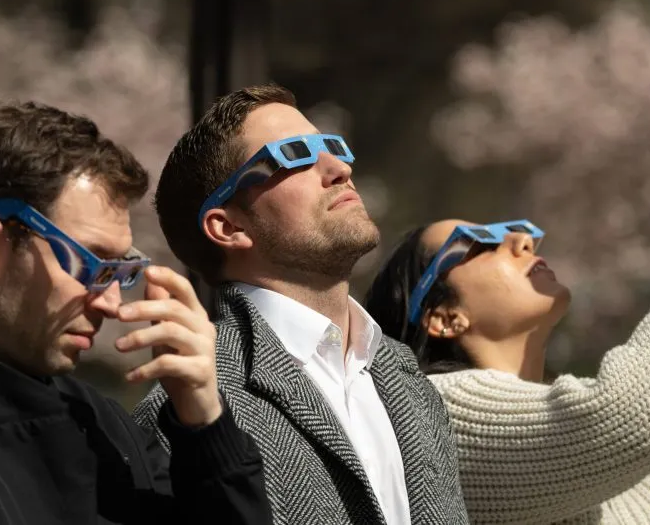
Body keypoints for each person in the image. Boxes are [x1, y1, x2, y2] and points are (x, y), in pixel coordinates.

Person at [363, 135, 650, 524]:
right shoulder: (437, 415)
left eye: (514, 230)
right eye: (481, 243)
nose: (522, 240)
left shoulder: (583, 430)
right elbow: (636, 417)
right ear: (443, 317)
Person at [0, 101, 272, 525]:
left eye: (121, 271)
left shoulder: (108, 430)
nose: (112, 302)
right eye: (89, 264)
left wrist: (206, 427)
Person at [134, 84, 468, 524]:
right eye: (293, 154)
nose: (338, 167)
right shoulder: (185, 412)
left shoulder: (407, 382)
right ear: (228, 226)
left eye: (330, 145)